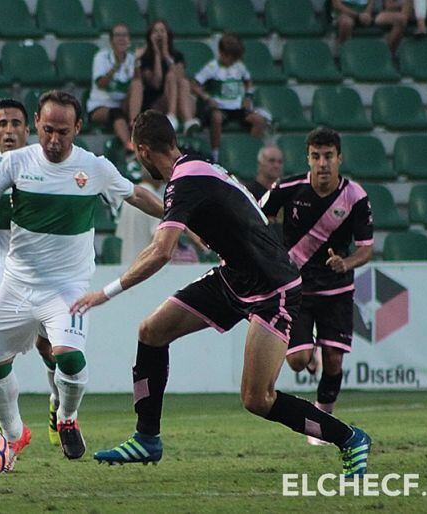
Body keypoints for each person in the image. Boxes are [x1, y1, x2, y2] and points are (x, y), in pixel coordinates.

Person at [71, 110, 371, 477]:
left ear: (143, 150)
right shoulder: (192, 168)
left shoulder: (183, 181)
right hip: (234, 277)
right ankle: (146, 437)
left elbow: (162, 251)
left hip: (273, 287)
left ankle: (350, 438)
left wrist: (106, 292)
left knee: (257, 399)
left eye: (136, 153)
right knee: (151, 331)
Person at [0, 90, 164, 470]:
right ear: (36, 124)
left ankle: (66, 415)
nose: (53, 139)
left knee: (68, 356)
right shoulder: (16, 163)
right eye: (47, 130)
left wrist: (177, 213)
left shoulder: (94, 167)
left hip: (68, 287)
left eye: (62, 131)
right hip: (17, 283)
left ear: (77, 128)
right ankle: (14, 433)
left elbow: (136, 196)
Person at [260, 127, 373, 446]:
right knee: (297, 362)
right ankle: (311, 354)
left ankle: (324, 420)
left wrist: (346, 263)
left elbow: (366, 248)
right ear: (308, 159)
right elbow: (255, 216)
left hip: (337, 291)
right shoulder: (288, 187)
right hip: (295, 290)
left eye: (328, 156)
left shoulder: (356, 197)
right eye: (316, 156)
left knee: (335, 360)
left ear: (339, 158)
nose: (322, 163)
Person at [0, 97, 62, 446]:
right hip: (3, 259)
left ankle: (58, 401)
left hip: (44, 265)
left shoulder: (48, 166)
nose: (9, 131)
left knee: (49, 347)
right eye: (3, 124)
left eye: (16, 124)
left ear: (28, 130)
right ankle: (11, 428)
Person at [191, 34, 267, 163]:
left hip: (237, 107)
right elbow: (194, 85)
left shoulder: (239, 66)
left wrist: (247, 97)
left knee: (259, 120)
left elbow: (248, 81)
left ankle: (253, 152)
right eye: (229, 57)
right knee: (216, 118)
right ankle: (215, 153)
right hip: (220, 107)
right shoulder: (212, 67)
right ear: (222, 53)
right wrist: (207, 98)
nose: (232, 61)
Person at [128, 19, 199, 134]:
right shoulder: (145, 58)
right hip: (157, 102)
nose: (159, 34)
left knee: (183, 82)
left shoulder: (177, 55)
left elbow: (180, 77)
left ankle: (188, 121)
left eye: (162, 31)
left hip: (179, 101)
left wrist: (166, 54)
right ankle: (172, 115)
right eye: (155, 31)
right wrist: (156, 54)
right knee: (170, 76)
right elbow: (156, 82)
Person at [86, 23, 136, 153]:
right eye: (117, 35)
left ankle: (135, 122)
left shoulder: (133, 59)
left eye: (124, 35)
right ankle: (129, 147)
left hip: (124, 104)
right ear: (111, 40)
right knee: (116, 113)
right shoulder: (101, 57)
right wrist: (116, 66)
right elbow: (101, 83)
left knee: (138, 85)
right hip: (100, 106)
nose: (121, 39)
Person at [332, 0, 408, 53]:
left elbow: (370, 3)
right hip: (344, 13)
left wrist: (367, 13)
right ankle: (343, 53)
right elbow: (337, 5)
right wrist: (357, 15)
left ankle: (387, 55)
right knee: (346, 23)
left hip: (362, 14)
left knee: (400, 21)